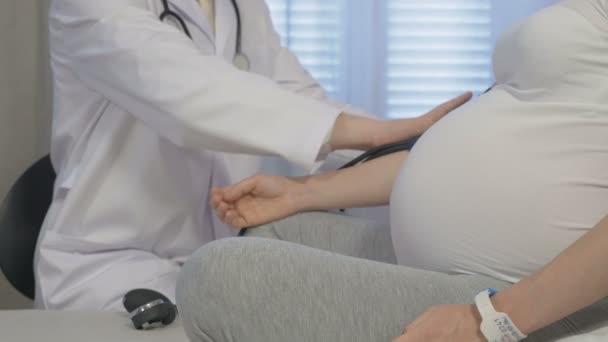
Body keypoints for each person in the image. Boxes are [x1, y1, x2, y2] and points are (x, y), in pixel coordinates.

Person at [176, 0, 608, 341]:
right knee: (275, 230)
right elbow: (469, 151)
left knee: (218, 277)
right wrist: (300, 192)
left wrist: (491, 321)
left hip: (532, 297)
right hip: (485, 276)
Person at [35, 0, 471, 310]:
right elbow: (191, 95)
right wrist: (379, 133)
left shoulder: (240, 7)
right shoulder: (86, 5)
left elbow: (298, 97)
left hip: (217, 257)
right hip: (105, 266)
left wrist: (415, 153)